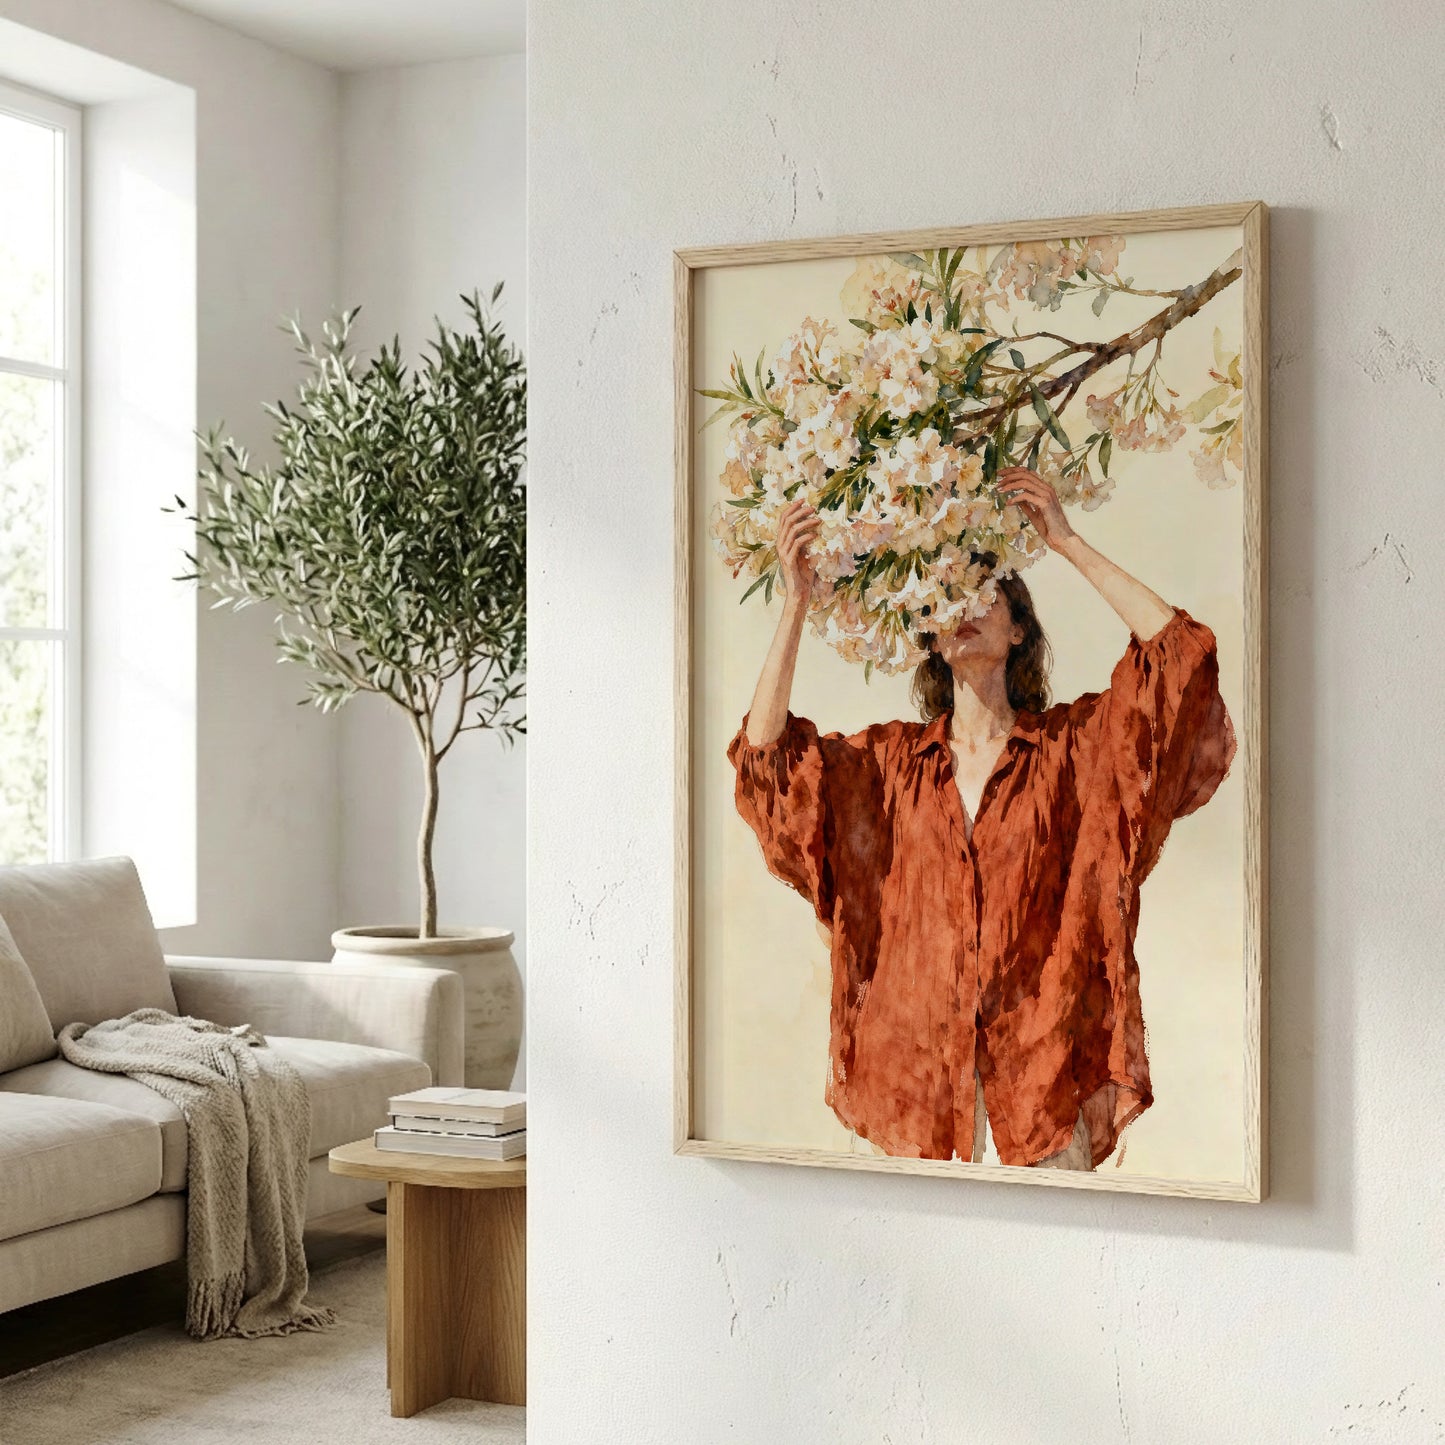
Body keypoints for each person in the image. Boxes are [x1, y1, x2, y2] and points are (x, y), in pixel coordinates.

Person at [726, 467, 1237, 1170]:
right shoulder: (883, 767)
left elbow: (1178, 657)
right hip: (910, 1101)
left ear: (1018, 626)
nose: (963, 605)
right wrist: (795, 603)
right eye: (944, 596)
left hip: (1038, 1094)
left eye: (983, 591)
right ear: (931, 638)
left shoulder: (1073, 753)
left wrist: (1065, 540)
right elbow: (766, 760)